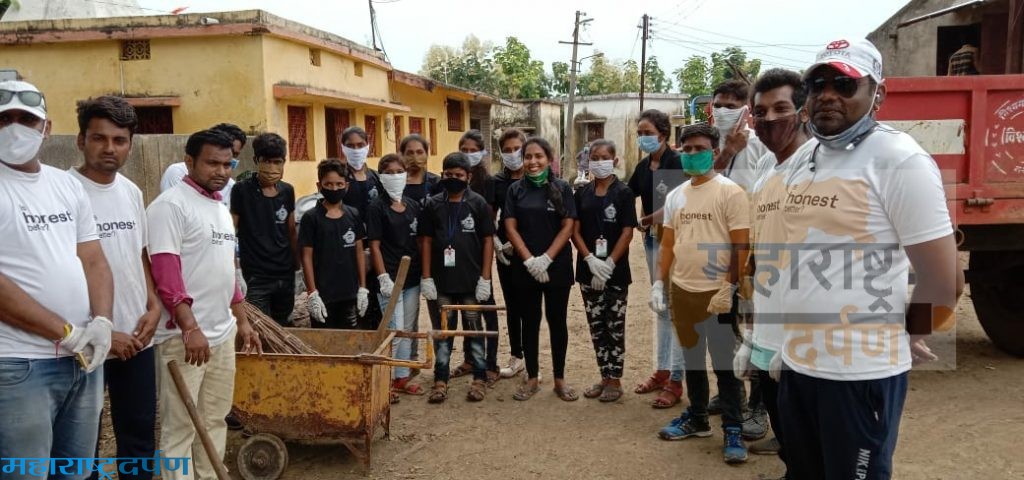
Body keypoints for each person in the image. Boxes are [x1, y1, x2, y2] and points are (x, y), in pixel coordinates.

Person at [775, 38, 963, 480]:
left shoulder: (900, 161)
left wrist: (907, 333)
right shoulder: (807, 158)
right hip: (800, 367)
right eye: (817, 82)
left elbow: (944, 280)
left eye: (844, 83)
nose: (826, 94)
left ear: (878, 93)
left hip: (859, 375)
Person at [0, 80, 115, 479]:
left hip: (82, 361)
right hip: (17, 365)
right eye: (4, 118)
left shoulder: (65, 185)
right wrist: (66, 332)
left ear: (46, 127)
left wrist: (101, 322)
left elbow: (94, 259)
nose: (15, 128)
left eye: (26, 119)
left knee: (76, 471)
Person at [148, 128, 261, 480]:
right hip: (184, 339)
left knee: (213, 418)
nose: (222, 172)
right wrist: (190, 327)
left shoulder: (218, 207)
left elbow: (226, 272)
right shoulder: (170, 206)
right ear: (189, 161)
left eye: (228, 164)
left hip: (221, 335)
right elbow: (166, 275)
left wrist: (242, 321)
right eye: (212, 163)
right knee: (180, 427)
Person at [70, 96, 161, 480]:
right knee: (81, 442)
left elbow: (140, 253)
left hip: (138, 338)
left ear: (130, 144)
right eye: (99, 138)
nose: (110, 148)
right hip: (85, 340)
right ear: (81, 140)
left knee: (138, 434)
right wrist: (105, 327)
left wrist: (154, 304)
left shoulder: (130, 191)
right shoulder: (64, 191)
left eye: (119, 140)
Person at [731, 68, 813, 477]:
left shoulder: (815, 169)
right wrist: (754, 337)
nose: (770, 119)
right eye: (760, 112)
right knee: (789, 442)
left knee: (814, 445)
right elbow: (761, 260)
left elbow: (817, 264)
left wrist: (797, 338)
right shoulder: (767, 173)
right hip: (769, 338)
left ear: (802, 110)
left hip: (805, 347)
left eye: (781, 108)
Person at [652, 123, 750, 464]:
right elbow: (667, 244)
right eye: (687, 149)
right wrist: (657, 282)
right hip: (683, 291)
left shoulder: (730, 192)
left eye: (699, 148)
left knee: (725, 364)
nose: (692, 154)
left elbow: (741, 246)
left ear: (713, 149)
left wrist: (729, 287)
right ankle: (696, 418)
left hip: (717, 293)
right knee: (692, 360)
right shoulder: (677, 196)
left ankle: (734, 427)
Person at [503, 137, 578, 402]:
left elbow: (568, 225)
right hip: (525, 268)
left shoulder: (562, 188)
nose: (532, 162)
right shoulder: (515, 190)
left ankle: (559, 379)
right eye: (528, 157)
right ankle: (532, 377)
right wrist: (529, 260)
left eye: (538, 156)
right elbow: (510, 227)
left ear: (549, 159)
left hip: (556, 267)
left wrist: (546, 259)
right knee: (529, 323)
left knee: (557, 322)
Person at [419, 152, 495, 403]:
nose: (453, 178)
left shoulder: (479, 203)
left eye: (459, 175)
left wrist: (485, 277)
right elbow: (426, 241)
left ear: (469, 177)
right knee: (443, 332)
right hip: (441, 283)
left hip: (471, 282)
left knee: (474, 330)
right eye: (448, 174)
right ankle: (440, 380)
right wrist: (427, 276)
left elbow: (487, 241)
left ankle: (479, 378)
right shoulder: (432, 204)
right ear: (442, 175)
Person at [628, 109, 685, 409]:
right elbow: (626, 194)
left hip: (674, 241)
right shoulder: (643, 166)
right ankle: (662, 370)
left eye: (647, 132)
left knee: (675, 309)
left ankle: (676, 379)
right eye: (639, 133)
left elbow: (675, 205)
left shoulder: (675, 163)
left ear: (663, 133)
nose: (642, 137)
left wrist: (646, 218)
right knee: (661, 304)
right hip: (651, 241)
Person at [571, 140, 636, 403]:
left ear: (615, 160)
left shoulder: (624, 193)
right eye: (594, 158)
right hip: (588, 271)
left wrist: (608, 264)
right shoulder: (581, 193)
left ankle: (616, 380)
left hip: (615, 272)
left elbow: (627, 231)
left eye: (604, 157)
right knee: (596, 327)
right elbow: (574, 230)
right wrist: (589, 259)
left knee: (614, 326)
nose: (599, 162)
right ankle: (604, 376)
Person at [367, 153, 424, 396]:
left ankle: (401, 377)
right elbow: (375, 246)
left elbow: (420, 241)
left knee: (407, 329)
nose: (394, 177)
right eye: (388, 173)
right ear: (380, 176)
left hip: (412, 279)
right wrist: (382, 277)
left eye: (399, 172)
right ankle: (383, 379)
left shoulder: (412, 206)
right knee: (393, 330)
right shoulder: (376, 207)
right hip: (390, 280)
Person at [449, 129, 501, 385]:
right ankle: (470, 359)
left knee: (486, 308)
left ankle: (491, 363)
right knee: (465, 309)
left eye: (473, 150)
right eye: (464, 149)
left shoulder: (488, 183)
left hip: (479, 254)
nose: (468, 154)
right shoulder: (450, 179)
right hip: (456, 258)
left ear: (481, 153)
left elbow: (488, 221)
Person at [231, 132, 299, 326]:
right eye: (266, 161)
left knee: (284, 327)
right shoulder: (242, 190)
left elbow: (291, 230)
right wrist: (235, 269)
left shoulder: (287, 191)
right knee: (260, 329)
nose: (272, 168)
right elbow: (230, 232)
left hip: (284, 275)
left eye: (277, 162)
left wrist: (297, 265)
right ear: (256, 160)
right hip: (255, 277)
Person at [300, 159, 369, 329]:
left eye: (339, 184)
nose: (334, 188)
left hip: (350, 293)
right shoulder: (311, 218)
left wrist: (363, 288)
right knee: (325, 343)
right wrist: (312, 293)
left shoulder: (353, 214)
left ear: (346, 186)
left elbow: (359, 251)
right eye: (328, 184)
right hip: (323, 295)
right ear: (319, 185)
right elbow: (306, 256)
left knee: (350, 341)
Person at [340, 126, 383, 329]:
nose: (356, 150)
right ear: (343, 148)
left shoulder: (377, 178)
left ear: (368, 146)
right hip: (347, 250)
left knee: (375, 302)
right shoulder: (339, 179)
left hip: (374, 250)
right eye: (350, 146)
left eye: (360, 145)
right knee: (352, 305)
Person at [493, 128, 528, 379]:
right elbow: (487, 216)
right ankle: (517, 356)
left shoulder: (538, 179)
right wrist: (497, 244)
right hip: (505, 255)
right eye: (507, 150)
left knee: (532, 308)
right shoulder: (495, 183)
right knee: (513, 305)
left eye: (517, 148)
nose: (513, 154)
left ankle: (533, 358)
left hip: (532, 254)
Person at [159, 122, 243, 208]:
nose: (221, 172)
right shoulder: (176, 173)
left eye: (234, 154)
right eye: (213, 163)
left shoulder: (230, 187)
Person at [710, 80, 769, 193]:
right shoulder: (703, 142)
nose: (722, 112)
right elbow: (698, 181)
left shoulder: (760, 144)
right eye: (717, 106)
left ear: (746, 110)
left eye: (730, 107)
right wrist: (728, 152)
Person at [400, 133, 440, 204]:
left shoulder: (437, 183)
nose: (415, 157)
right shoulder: (395, 183)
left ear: (427, 155)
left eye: (419, 152)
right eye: (410, 153)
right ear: (402, 155)